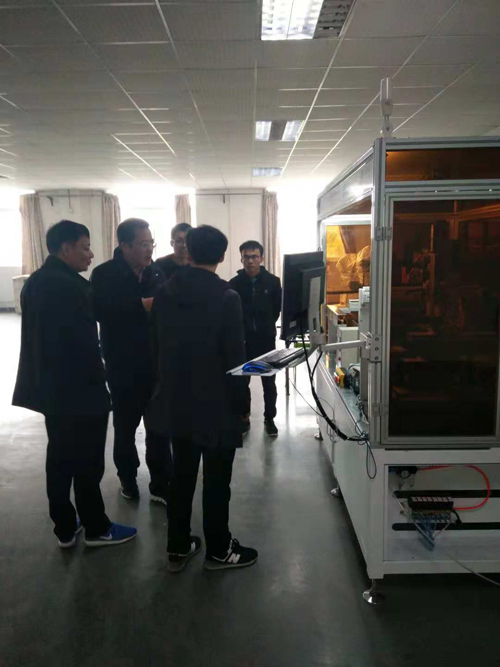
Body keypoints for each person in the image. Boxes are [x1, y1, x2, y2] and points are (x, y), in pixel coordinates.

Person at [12, 220, 137, 548]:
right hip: (79, 392)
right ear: (65, 248)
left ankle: (65, 528)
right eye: (85, 247)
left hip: (52, 389)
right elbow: (82, 346)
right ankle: (97, 527)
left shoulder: (36, 282)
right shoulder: (69, 287)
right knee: (88, 462)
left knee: (60, 458)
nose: (91, 255)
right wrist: (102, 383)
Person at [147, 225, 258, 573]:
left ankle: (178, 547)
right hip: (216, 404)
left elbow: (156, 346)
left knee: (181, 477)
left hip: (177, 400)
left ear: (188, 251)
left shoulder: (165, 292)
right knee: (216, 480)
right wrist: (242, 408)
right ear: (223, 256)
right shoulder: (226, 297)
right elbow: (235, 362)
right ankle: (219, 549)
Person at [91, 218, 171, 503]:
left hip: (155, 363)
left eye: (151, 243)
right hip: (122, 364)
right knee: (125, 428)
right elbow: (100, 310)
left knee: (159, 428)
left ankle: (160, 484)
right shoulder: (104, 274)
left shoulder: (155, 272)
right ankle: (128, 479)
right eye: (143, 244)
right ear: (124, 246)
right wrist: (141, 306)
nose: (149, 249)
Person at [229, 241, 282, 438]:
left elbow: (276, 310)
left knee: (269, 383)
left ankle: (270, 419)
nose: (250, 261)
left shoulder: (273, 282)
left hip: (265, 340)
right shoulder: (234, 284)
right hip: (242, 342)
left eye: (254, 257)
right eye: (247, 257)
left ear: (261, 258)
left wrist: (265, 326)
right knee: (242, 383)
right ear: (241, 258)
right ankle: (244, 418)